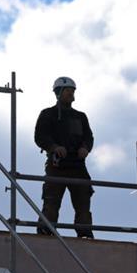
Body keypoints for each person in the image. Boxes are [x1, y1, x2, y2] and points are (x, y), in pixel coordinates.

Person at [34, 76, 95, 239]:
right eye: (67, 91)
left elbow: (88, 137)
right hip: (57, 166)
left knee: (83, 201)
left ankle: (84, 233)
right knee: (52, 201)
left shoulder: (80, 117)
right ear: (58, 93)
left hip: (78, 166)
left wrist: (85, 148)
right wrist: (54, 147)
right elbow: (40, 136)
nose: (71, 94)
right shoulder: (48, 114)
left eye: (72, 91)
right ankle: (46, 229)